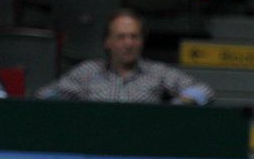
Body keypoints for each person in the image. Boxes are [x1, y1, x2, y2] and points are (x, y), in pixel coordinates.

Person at [37, 9, 213, 104]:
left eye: (134, 37)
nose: (129, 43)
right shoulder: (87, 71)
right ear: (107, 42)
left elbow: (203, 91)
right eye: (121, 37)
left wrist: (176, 107)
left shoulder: (157, 72)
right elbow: (44, 96)